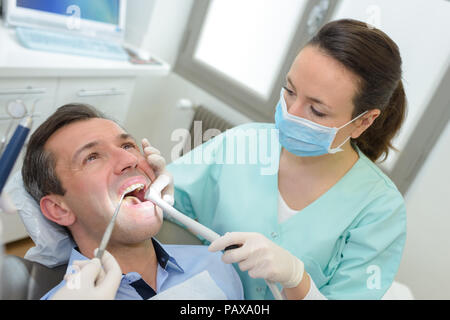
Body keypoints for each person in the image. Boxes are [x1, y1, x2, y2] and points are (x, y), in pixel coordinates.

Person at [156, 19, 408, 300]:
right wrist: (151, 181)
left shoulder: (381, 210)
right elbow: (169, 204)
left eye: (317, 110)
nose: (292, 113)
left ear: (364, 121)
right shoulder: (242, 143)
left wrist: (297, 280)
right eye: (290, 91)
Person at [21, 104, 243, 300]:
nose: (130, 160)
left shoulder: (216, 264)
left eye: (127, 146)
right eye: (92, 157)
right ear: (59, 209)